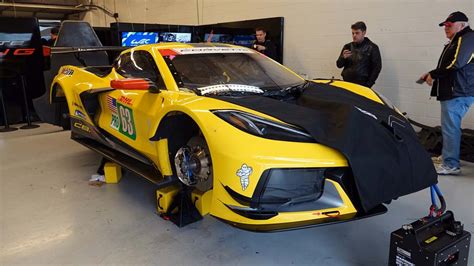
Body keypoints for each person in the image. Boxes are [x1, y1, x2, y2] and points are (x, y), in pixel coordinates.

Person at [419, 11, 474, 175]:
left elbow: (456, 64)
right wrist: (430, 73)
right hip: (454, 90)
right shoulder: (457, 40)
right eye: (445, 26)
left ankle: (450, 164)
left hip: (458, 92)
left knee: (451, 128)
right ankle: (448, 157)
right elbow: (449, 65)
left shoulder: (468, 38)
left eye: (449, 25)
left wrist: (433, 74)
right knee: (450, 127)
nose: (446, 28)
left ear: (462, 25)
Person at [336, 21, 382, 88]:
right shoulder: (347, 47)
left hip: (362, 84)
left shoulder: (372, 47)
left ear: (363, 33)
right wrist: (342, 58)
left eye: (357, 33)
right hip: (347, 83)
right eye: (353, 33)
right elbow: (339, 65)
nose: (354, 35)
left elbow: (377, 68)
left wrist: (368, 85)